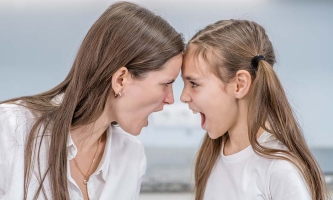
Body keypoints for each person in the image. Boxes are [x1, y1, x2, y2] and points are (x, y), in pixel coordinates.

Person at [0, 2, 184, 199]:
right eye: (166, 83)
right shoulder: (10, 129)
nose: (170, 99)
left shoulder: (132, 156)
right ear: (121, 80)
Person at [180, 19, 329, 200]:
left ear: (239, 85)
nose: (183, 96)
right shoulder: (210, 156)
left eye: (194, 83)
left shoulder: (279, 169)